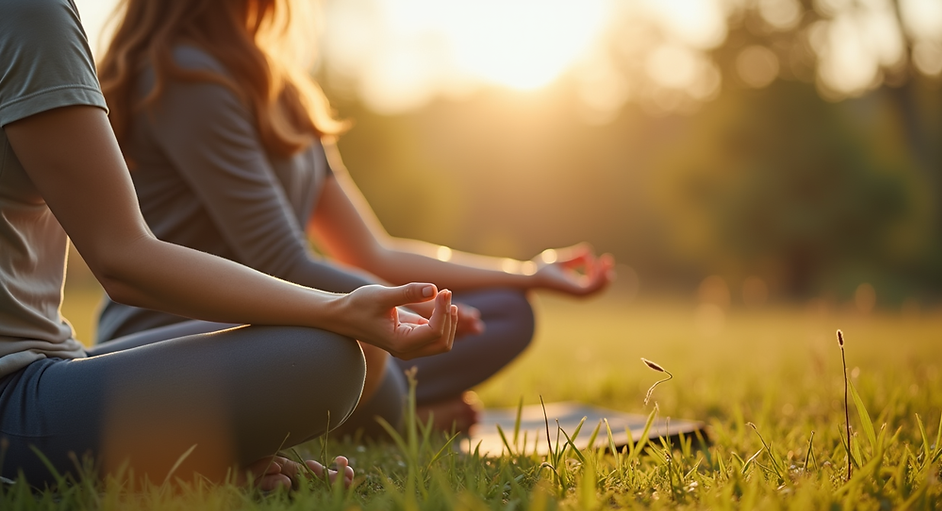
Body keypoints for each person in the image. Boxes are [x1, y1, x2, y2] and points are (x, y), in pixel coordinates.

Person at [0, 0, 459, 492]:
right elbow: (123, 259)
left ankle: (200, 466)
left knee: (351, 350)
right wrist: (337, 309)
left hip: (51, 359)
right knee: (327, 356)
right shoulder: (22, 10)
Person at [94, 0, 615, 435]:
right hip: (182, 334)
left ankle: (362, 408)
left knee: (508, 310)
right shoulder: (181, 74)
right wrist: (392, 316)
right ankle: (395, 419)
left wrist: (525, 273)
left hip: (290, 316)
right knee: (347, 352)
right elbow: (283, 262)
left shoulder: (285, 91)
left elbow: (372, 251)